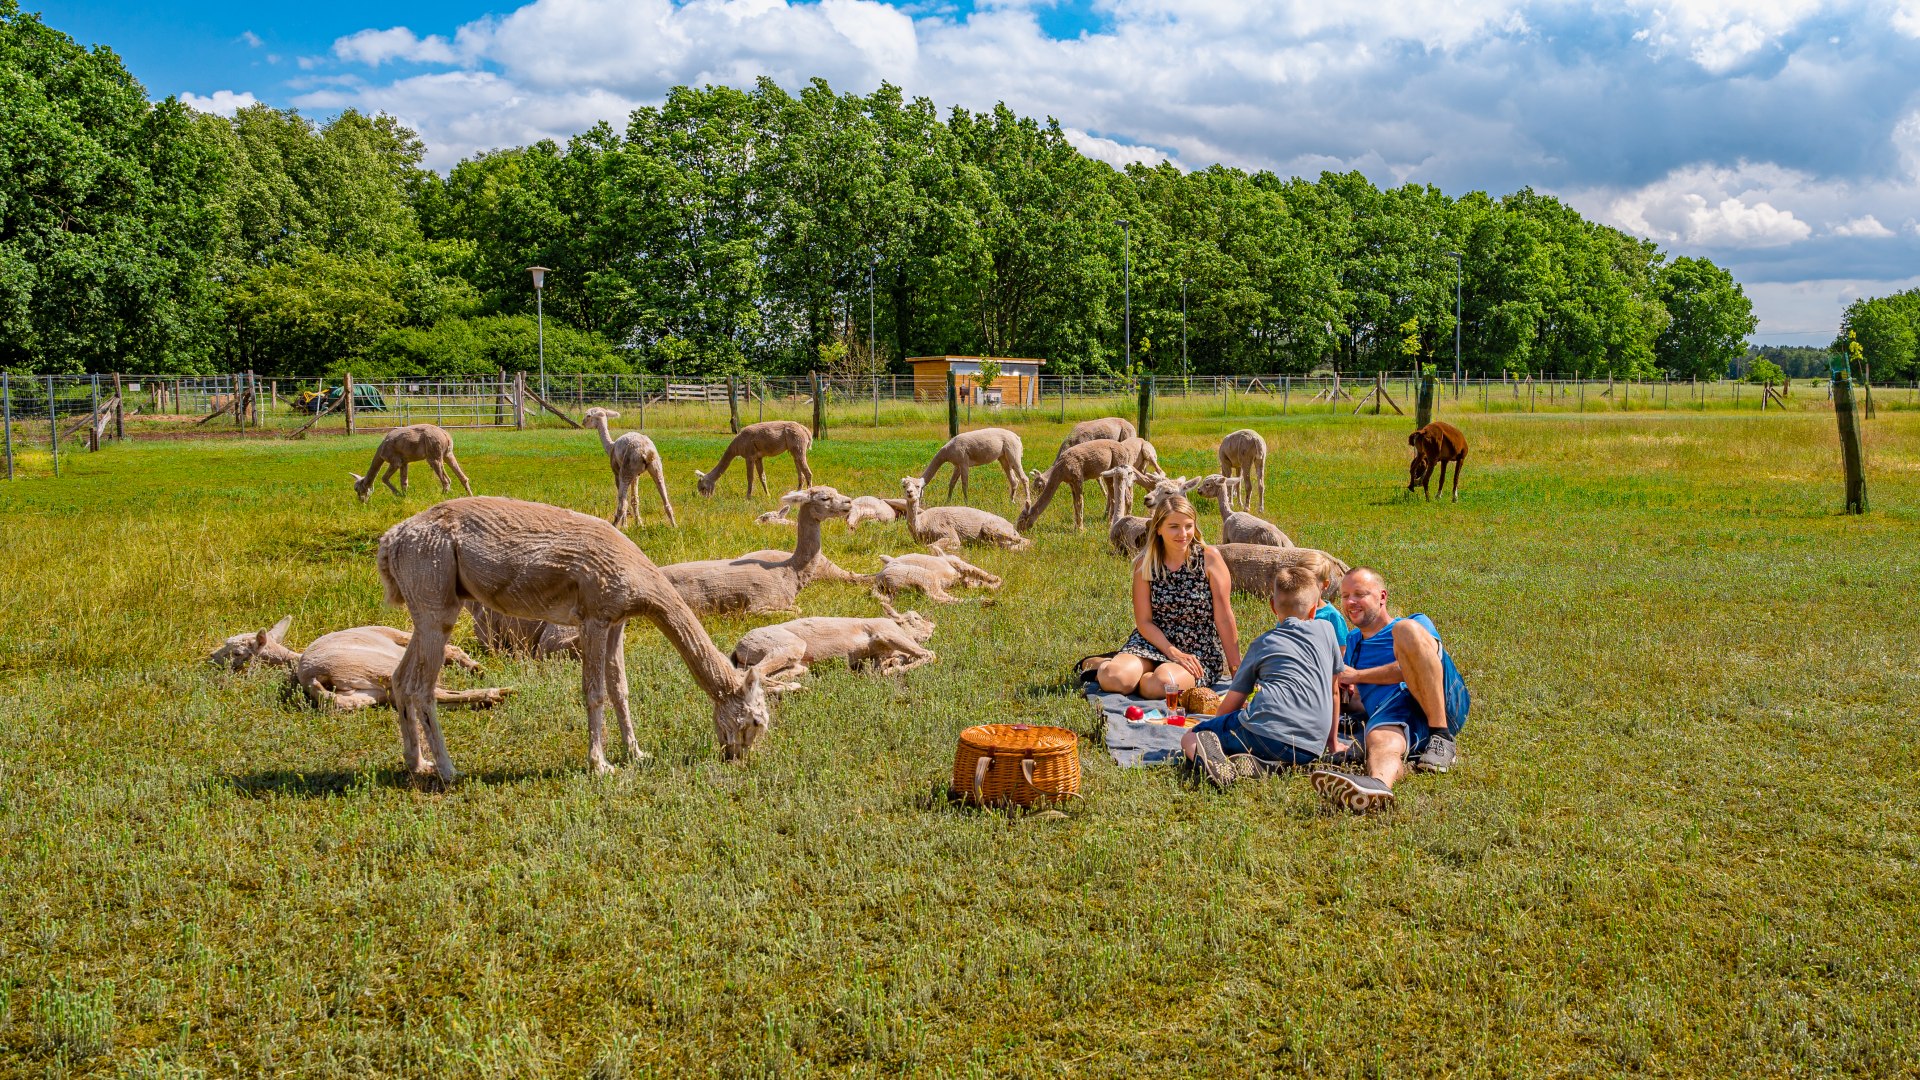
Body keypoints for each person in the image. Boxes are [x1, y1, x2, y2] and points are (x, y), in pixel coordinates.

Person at [1311, 567, 1470, 813]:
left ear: (1382, 597)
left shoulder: (1415, 623)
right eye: (1344, 596)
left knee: (1404, 631)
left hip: (1439, 701)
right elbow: (1361, 700)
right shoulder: (1352, 643)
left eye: (1359, 594)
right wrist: (1341, 697)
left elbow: (1416, 666)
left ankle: (1442, 738)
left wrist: (1358, 675)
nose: (1350, 602)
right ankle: (1377, 786)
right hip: (1395, 712)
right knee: (1379, 740)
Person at [1180, 565, 1349, 788]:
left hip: (1264, 733)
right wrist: (1332, 743)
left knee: (1191, 737)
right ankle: (1269, 765)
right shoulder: (1327, 631)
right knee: (1271, 744)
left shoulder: (1262, 644)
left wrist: (1214, 725)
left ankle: (1214, 762)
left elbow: (1233, 702)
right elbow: (1334, 691)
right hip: (1311, 747)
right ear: (1313, 611)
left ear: (1271, 606)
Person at [1091, 495, 1240, 699]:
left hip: (1196, 649)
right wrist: (1171, 652)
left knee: (1162, 685)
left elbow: (1224, 617)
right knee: (1113, 677)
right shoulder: (1145, 565)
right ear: (1158, 528)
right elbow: (1144, 622)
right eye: (1174, 526)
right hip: (1153, 642)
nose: (1183, 533)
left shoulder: (1209, 558)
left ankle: (1140, 676)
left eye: (1188, 526)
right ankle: (1103, 664)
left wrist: (1236, 671)